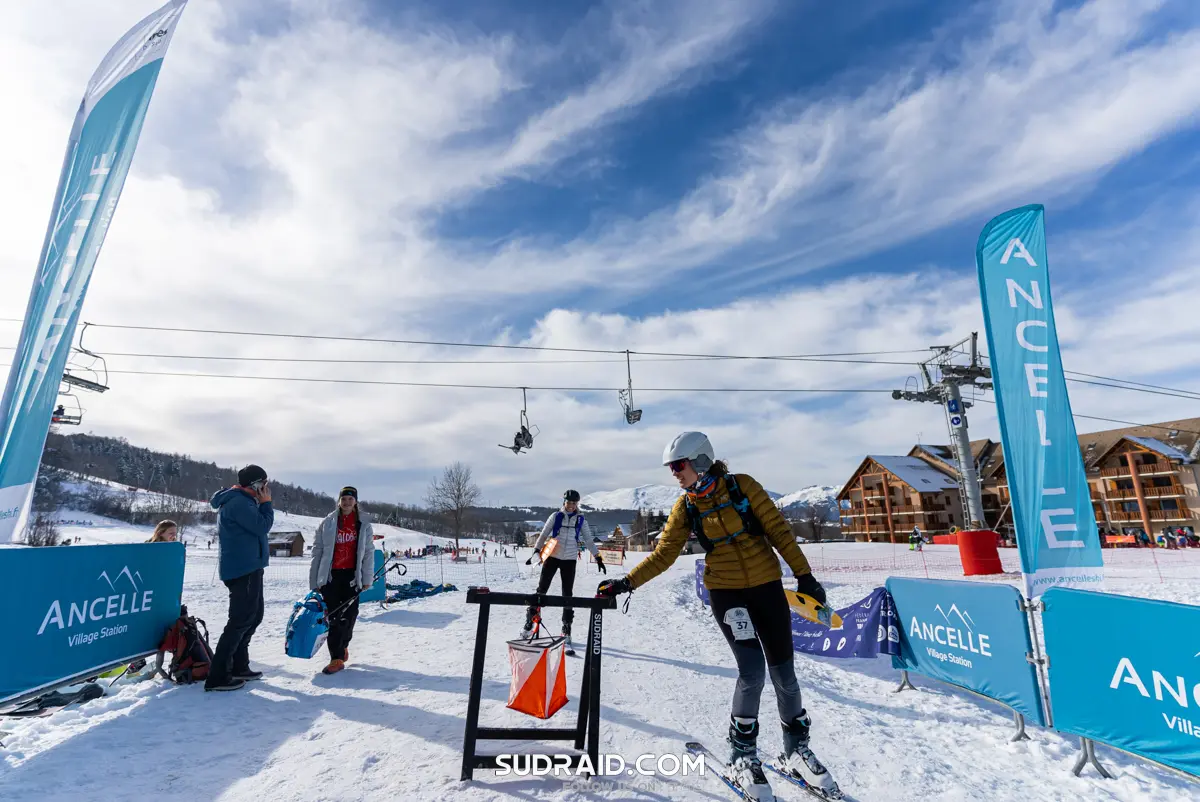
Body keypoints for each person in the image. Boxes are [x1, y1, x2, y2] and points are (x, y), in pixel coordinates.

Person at [597, 432, 838, 801]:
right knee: (752, 671)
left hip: (767, 587)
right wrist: (626, 582)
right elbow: (664, 555)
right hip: (726, 593)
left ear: (701, 461)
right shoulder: (685, 508)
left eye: (679, 465)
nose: (675, 473)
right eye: (672, 468)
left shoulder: (744, 488)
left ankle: (795, 750)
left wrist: (805, 576)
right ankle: (742, 755)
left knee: (784, 673)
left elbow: (779, 531)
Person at [206, 465, 274, 692]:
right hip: (242, 569)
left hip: (251, 567)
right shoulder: (239, 502)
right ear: (255, 484)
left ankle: (238, 665)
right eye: (264, 484)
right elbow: (262, 526)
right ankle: (218, 676)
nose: (266, 488)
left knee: (253, 617)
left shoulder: (243, 501)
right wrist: (266, 504)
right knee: (240, 620)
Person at [522, 490, 606, 642]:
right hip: (552, 556)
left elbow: (588, 540)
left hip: (570, 559)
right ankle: (530, 623)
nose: (571, 506)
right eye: (569, 503)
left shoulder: (581, 520)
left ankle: (566, 628)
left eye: (574, 503)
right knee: (541, 590)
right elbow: (543, 534)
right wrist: (536, 550)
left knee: (567, 594)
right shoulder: (555, 516)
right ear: (564, 502)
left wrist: (598, 557)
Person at [310, 486, 376, 675]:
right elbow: (318, 551)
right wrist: (315, 581)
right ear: (339, 501)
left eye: (350, 499)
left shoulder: (363, 524)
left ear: (355, 502)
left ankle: (343, 645)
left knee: (350, 615)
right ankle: (336, 657)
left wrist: (367, 578)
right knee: (334, 617)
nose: (347, 502)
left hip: (352, 576)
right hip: (331, 576)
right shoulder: (328, 523)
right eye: (344, 499)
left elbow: (368, 553)